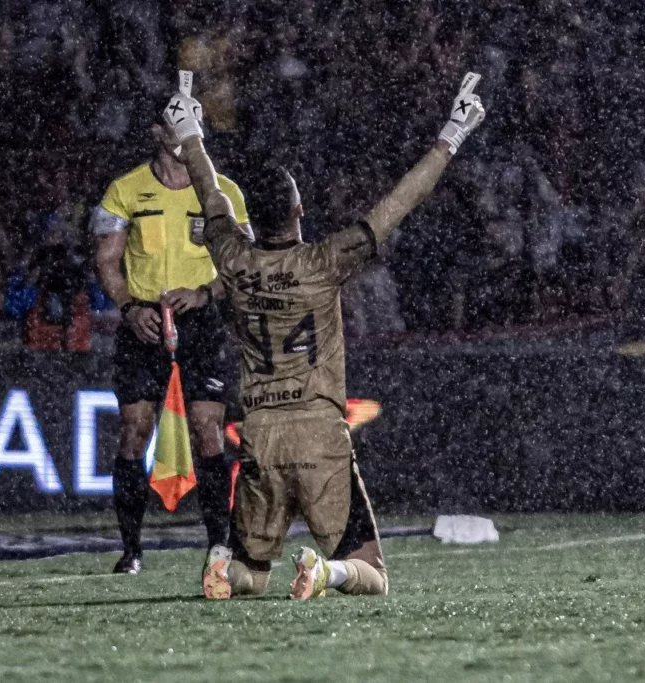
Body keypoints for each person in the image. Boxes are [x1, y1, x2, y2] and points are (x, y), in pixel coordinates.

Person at [162, 75, 486, 599]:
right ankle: (326, 571)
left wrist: (191, 135)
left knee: (252, 574)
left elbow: (212, 195)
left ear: (252, 222)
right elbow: (397, 204)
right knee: (373, 575)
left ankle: (226, 565)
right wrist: (452, 134)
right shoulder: (324, 261)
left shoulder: (234, 258)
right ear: (297, 211)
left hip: (260, 432)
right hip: (317, 432)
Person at [92, 97, 251, 576]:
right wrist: (127, 308)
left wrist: (205, 294)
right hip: (143, 322)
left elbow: (242, 265)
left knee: (208, 433)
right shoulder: (125, 190)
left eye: (194, 125)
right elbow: (106, 262)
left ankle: (219, 547)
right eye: (176, 125)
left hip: (200, 323)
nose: (185, 133)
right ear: (158, 132)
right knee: (134, 432)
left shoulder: (222, 192)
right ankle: (131, 549)